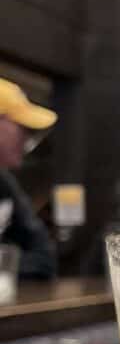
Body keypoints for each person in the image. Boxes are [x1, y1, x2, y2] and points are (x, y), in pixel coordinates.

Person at [0, 78, 57, 279]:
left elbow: (44, 260)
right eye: (22, 128)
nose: (27, 140)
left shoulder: (5, 184)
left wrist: (8, 263)